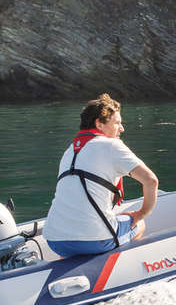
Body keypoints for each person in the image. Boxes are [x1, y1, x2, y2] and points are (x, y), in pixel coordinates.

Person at [44, 94, 158, 257]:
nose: (122, 128)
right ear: (99, 124)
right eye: (117, 123)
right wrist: (140, 214)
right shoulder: (111, 145)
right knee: (139, 225)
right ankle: (126, 266)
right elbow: (151, 181)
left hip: (55, 240)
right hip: (95, 240)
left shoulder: (70, 150)